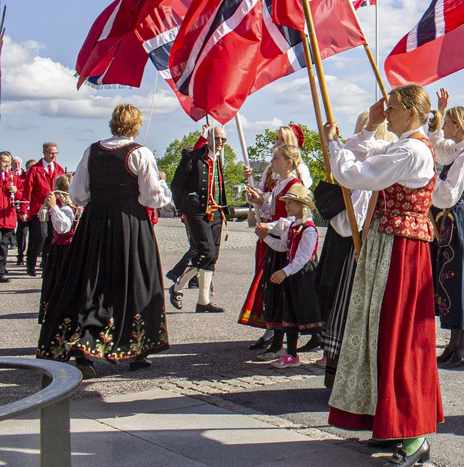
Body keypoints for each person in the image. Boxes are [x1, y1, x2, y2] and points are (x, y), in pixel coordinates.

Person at [324, 86, 441, 467]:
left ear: (411, 112)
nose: (386, 112)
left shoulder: (412, 151)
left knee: (401, 337)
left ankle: (415, 435)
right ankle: (390, 423)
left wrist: (333, 145)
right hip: (388, 245)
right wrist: (368, 127)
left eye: (391, 108)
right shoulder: (401, 146)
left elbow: (356, 174)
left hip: (402, 251)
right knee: (379, 332)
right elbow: (364, 154)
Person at [37, 104, 172, 379]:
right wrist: (163, 186)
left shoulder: (92, 151)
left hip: (96, 224)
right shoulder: (140, 153)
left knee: (92, 281)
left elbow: (77, 194)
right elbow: (151, 198)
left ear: (113, 123)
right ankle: (136, 349)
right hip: (130, 225)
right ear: (136, 125)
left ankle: (84, 349)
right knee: (134, 281)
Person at [317, 111, 394, 378]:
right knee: (337, 297)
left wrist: (333, 142)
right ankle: (335, 359)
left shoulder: (377, 160)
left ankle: (345, 363)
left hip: (359, 238)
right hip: (346, 234)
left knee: (351, 301)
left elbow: (360, 208)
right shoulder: (362, 156)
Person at [428, 88, 464, 367]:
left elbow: (448, 194)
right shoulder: (457, 150)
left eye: (448, 124)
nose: (445, 128)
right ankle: (454, 343)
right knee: (449, 281)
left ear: (459, 127)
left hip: (455, 219)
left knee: (458, 279)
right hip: (448, 220)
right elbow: (437, 146)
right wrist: (440, 112)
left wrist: (428, 177)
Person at [240, 144, 305, 356]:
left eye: (276, 158)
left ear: (289, 162)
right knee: (273, 294)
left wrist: (268, 227)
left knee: (283, 296)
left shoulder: (295, 185)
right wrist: (260, 202)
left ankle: (280, 344)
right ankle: (275, 342)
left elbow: (292, 219)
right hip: (276, 243)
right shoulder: (278, 185)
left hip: (286, 246)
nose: (272, 162)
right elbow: (273, 211)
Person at [257, 185, 322, 369]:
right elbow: (283, 247)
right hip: (293, 274)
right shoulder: (293, 227)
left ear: (302, 206)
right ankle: (291, 354)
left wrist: (284, 271)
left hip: (305, 275)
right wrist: (265, 237)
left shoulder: (308, 230)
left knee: (311, 312)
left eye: (290, 203)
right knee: (290, 313)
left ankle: (327, 351)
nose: (286, 207)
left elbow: (303, 257)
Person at [168, 126, 230, 313]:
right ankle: (177, 287)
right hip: (197, 211)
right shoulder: (192, 157)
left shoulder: (218, 159)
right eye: (217, 138)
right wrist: (183, 209)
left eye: (223, 139)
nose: (220, 143)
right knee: (206, 252)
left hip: (216, 211)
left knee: (213, 257)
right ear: (209, 138)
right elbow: (177, 186)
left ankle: (203, 300)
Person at [23, 142, 66, 276]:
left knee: (51, 237)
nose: (53, 156)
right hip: (39, 209)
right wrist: (24, 210)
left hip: (54, 208)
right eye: (51, 153)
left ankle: (46, 266)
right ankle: (31, 261)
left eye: (55, 153)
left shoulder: (59, 169)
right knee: (41, 236)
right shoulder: (35, 169)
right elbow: (27, 190)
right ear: (44, 152)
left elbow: (63, 188)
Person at [38, 174, 76, 322]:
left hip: (65, 251)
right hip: (62, 250)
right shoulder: (67, 207)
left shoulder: (67, 208)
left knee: (61, 284)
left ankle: (61, 316)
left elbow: (63, 228)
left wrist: (54, 208)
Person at [0, 152, 18, 283]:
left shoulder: (12, 176)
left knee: (4, 247)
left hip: (7, 216)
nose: (6, 165)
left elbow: (21, 194)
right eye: (4, 161)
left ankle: (0, 272)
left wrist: (16, 191)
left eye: (8, 162)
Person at [12, 156, 29, 267]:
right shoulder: (9, 174)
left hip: (23, 206)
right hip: (11, 207)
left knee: (23, 232)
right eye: (14, 163)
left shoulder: (25, 175)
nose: (16, 164)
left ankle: (23, 255)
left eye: (18, 163)